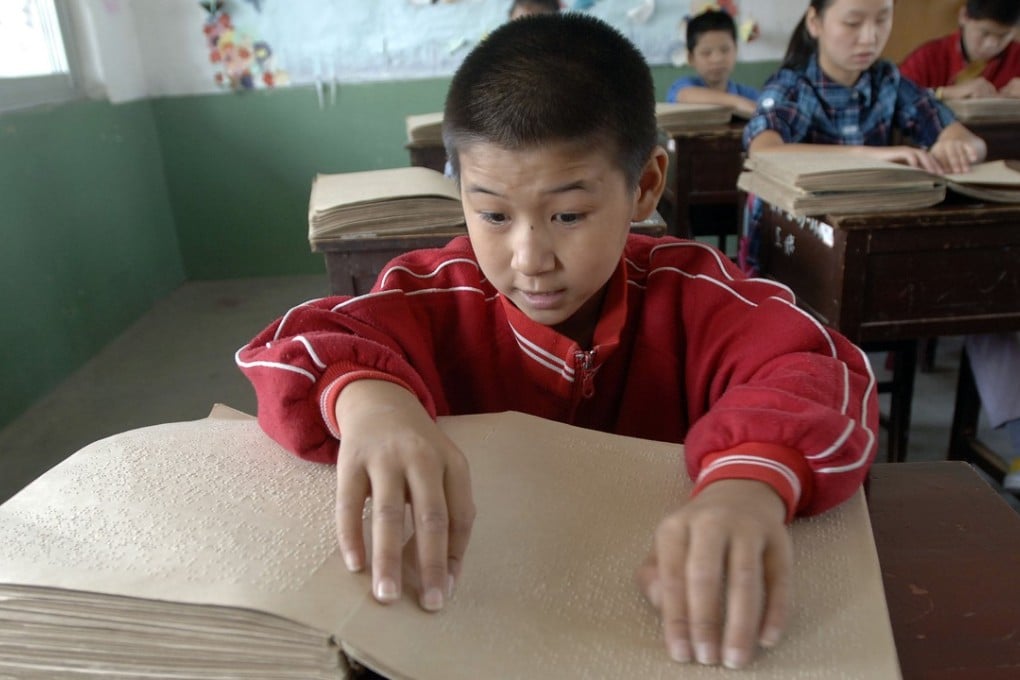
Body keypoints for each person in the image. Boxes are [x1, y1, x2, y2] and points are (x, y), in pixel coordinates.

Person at [236, 14, 878, 670]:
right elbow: (299, 343)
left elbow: (825, 369)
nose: (529, 258)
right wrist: (370, 401)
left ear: (646, 185)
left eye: (568, 215)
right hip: (476, 626)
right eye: (492, 214)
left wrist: (750, 484)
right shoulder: (439, 293)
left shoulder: (695, 293)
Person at [739, 0, 987, 275]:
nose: (869, 37)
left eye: (882, 20)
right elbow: (763, 151)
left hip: (861, 239)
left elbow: (968, 139)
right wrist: (867, 155)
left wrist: (954, 144)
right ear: (815, 23)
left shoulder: (887, 81)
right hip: (793, 247)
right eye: (852, 23)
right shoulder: (793, 86)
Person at [900, 0, 1020, 100]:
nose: (991, 44)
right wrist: (944, 93)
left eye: (1003, 36)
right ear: (964, 16)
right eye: (985, 33)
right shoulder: (929, 56)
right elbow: (893, 94)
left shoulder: (1017, 56)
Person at [667, 8, 760, 116]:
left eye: (725, 50)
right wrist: (738, 103)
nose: (717, 59)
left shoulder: (750, 94)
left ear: (736, 51)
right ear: (690, 58)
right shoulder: (683, 86)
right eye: (706, 53)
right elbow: (684, 95)